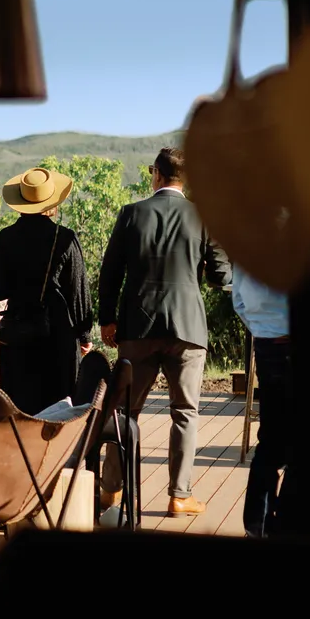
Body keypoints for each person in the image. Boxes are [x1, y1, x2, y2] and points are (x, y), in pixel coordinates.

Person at [98, 147, 231, 517]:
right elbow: (222, 276)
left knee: (125, 411)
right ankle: (179, 495)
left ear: (155, 173)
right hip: (187, 327)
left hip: (137, 328)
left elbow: (110, 274)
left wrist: (107, 319)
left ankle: (110, 491)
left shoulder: (131, 214)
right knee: (185, 411)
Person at [0, 167, 94, 415]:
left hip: (18, 333)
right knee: (60, 405)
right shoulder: (64, 238)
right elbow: (77, 291)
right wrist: (85, 335)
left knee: (20, 406)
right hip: (57, 335)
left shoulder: (5, 238)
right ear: (51, 202)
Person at [234, 265, 290, 537]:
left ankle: (256, 525)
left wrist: (261, 326)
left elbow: (238, 300)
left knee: (269, 440)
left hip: (266, 341)